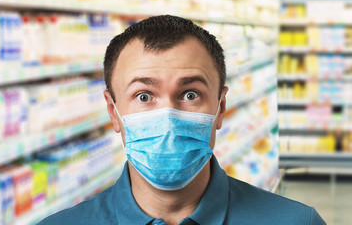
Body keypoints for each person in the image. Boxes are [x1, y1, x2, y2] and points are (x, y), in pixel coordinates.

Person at [37, 15, 326, 225]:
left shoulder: (297, 222)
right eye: (144, 96)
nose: (169, 118)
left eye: (190, 94)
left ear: (220, 107)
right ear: (114, 113)